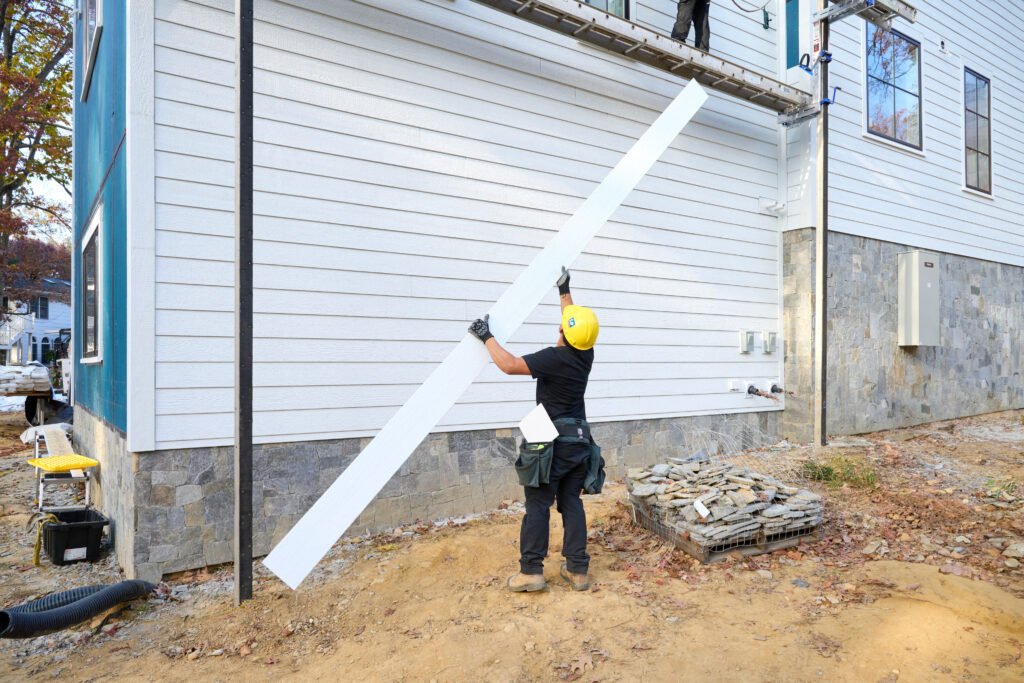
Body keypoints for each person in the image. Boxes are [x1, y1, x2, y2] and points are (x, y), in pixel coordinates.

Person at [468, 267, 600, 593]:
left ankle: (531, 572)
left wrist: (486, 336)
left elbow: (509, 365)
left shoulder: (554, 358)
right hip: (579, 443)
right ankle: (578, 571)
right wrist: (564, 290)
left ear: (564, 333)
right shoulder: (586, 353)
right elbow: (573, 322)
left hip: (551, 443)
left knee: (538, 504)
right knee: (570, 502)